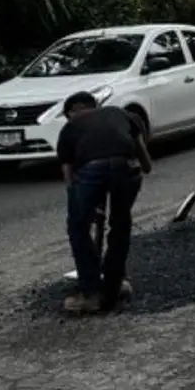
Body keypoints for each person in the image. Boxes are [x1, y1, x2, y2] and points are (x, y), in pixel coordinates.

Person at [56, 92, 152, 313]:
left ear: (71, 112)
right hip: (127, 167)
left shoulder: (71, 126)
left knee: (77, 229)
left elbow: (68, 176)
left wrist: (81, 209)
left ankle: (90, 293)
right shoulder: (122, 114)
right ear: (96, 105)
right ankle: (115, 285)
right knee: (120, 223)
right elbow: (145, 162)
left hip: (92, 170)